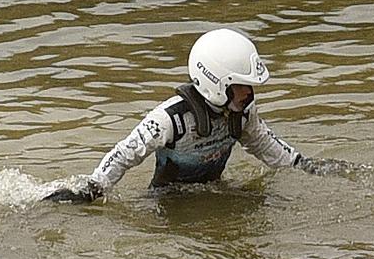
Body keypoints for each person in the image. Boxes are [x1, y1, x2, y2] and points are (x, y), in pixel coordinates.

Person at [44, 27, 353, 203]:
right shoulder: (170, 119)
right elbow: (125, 154)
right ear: (217, 83)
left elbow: (265, 145)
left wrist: (306, 166)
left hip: (213, 191)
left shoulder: (241, 113)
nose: (250, 94)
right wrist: (94, 189)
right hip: (168, 202)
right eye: (243, 86)